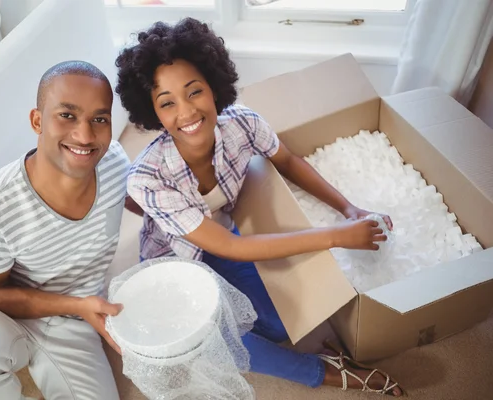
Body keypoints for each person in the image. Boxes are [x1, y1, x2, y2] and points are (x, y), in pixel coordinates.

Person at [116, 18, 404, 396]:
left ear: (214, 87)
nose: (186, 112)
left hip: (223, 239)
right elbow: (230, 247)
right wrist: (336, 236)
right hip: (179, 264)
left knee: (283, 325)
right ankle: (326, 373)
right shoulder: (147, 177)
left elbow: (288, 162)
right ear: (152, 112)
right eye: (167, 103)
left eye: (194, 92)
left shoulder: (242, 123)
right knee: (218, 343)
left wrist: (348, 209)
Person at [0, 61, 130, 400]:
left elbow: (142, 198)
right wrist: (77, 303)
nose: (85, 136)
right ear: (37, 121)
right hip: (8, 313)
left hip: (78, 317)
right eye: (67, 115)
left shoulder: (114, 162)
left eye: (99, 119)